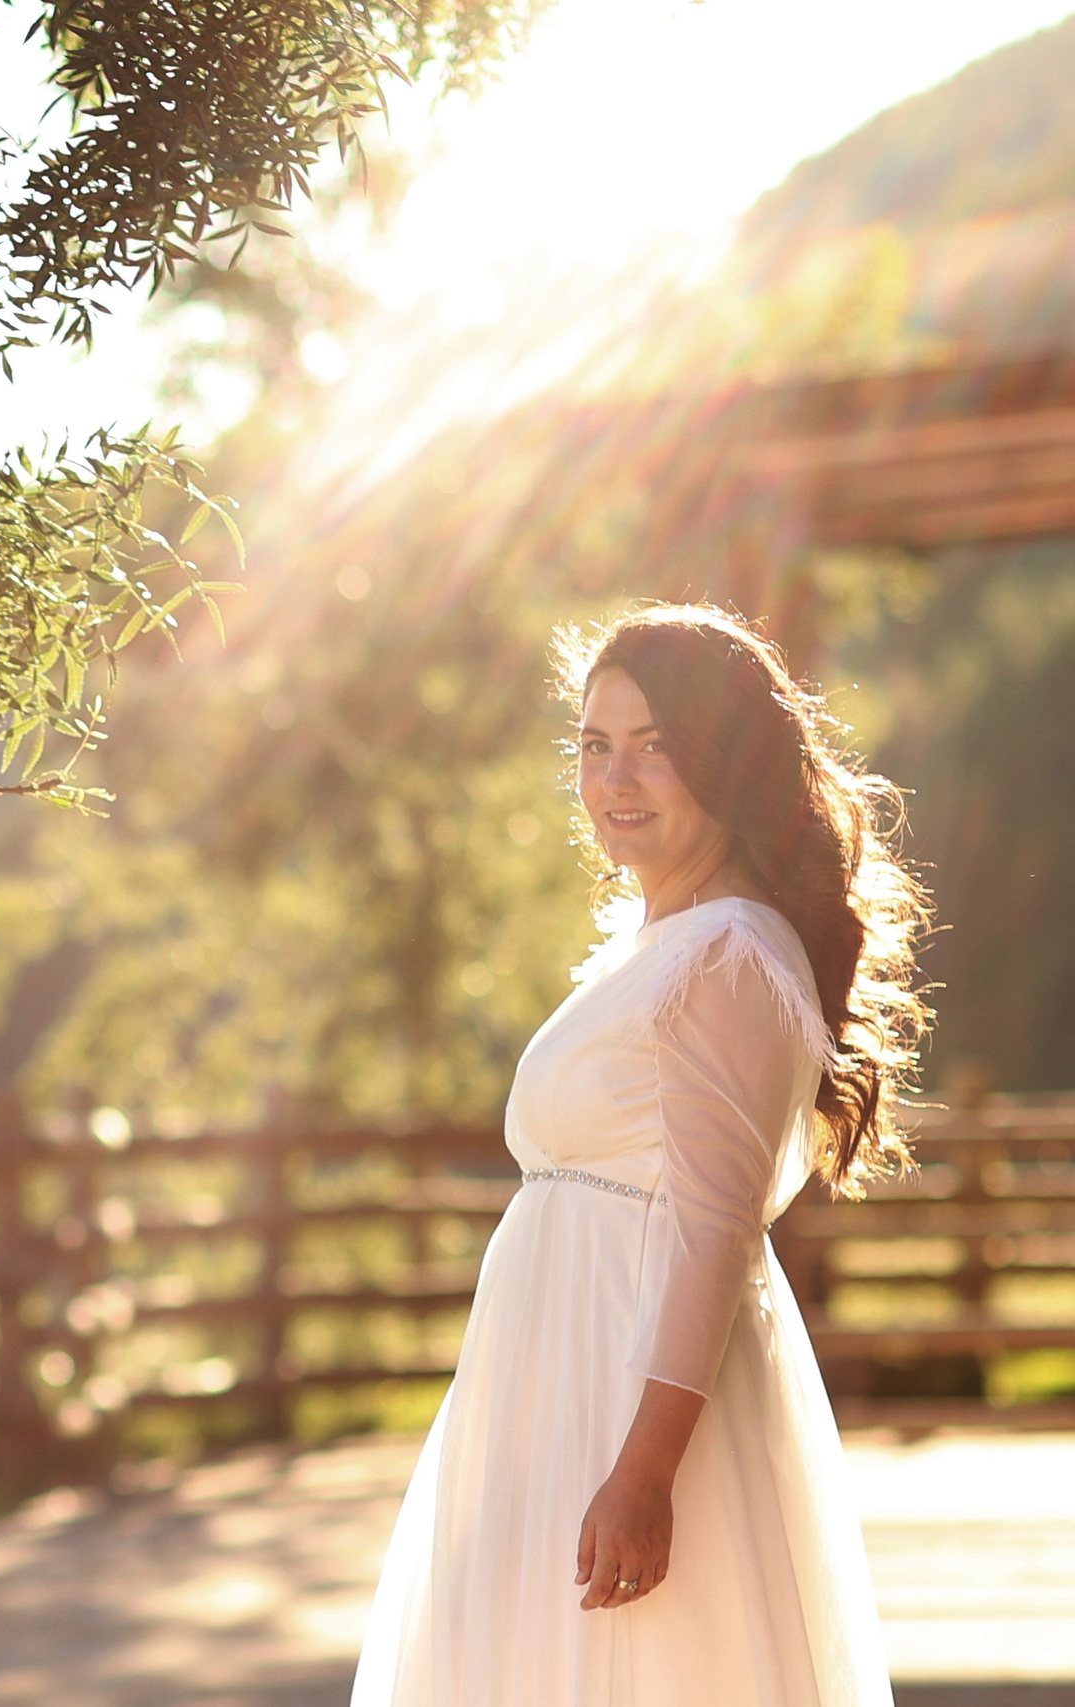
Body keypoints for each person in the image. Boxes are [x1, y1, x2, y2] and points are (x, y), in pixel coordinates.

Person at [351, 605, 929, 1706]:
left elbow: (714, 1234)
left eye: (654, 745)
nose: (615, 778)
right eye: (594, 746)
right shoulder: (657, 945)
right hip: (549, 1383)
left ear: (726, 759)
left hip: (626, 1399)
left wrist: (645, 1472)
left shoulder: (725, 955)